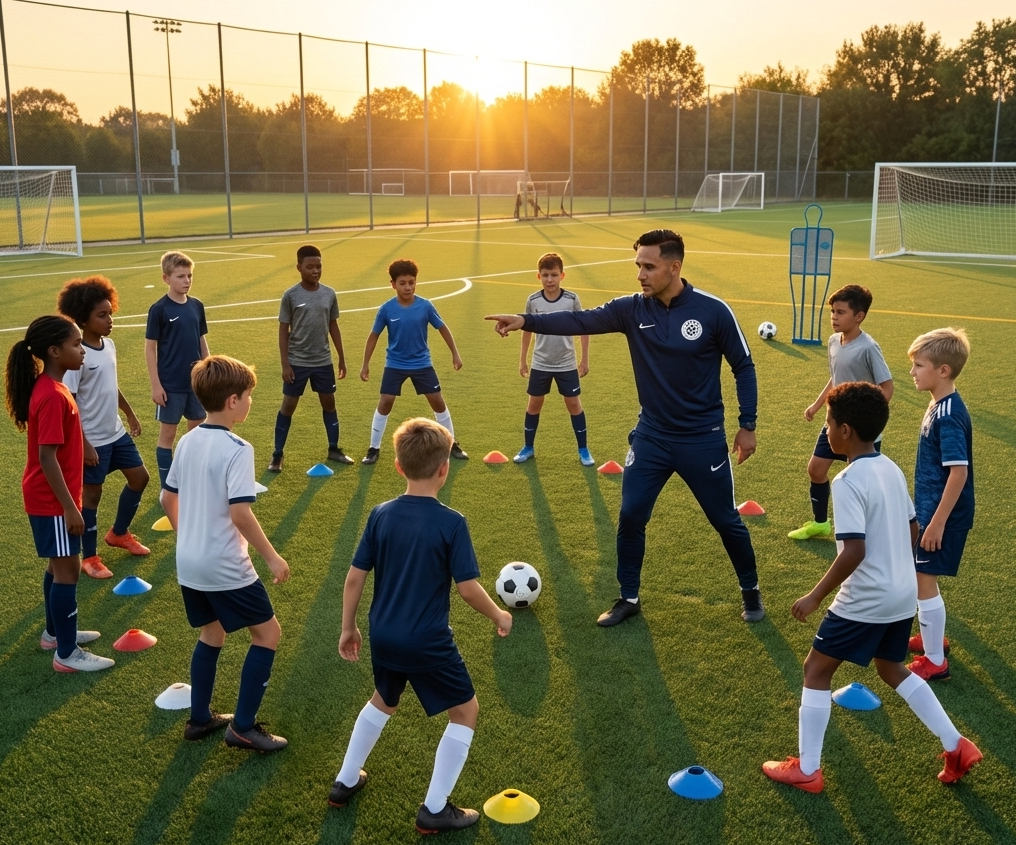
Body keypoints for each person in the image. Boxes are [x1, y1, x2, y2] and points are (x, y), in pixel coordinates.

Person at [487, 229, 763, 628]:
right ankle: (628, 597)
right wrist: (525, 320)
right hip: (652, 435)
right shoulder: (633, 310)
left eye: (649, 267)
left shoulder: (713, 311)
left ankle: (750, 591)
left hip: (702, 439)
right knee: (631, 514)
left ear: (674, 266)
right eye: (638, 266)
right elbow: (580, 319)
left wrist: (747, 425)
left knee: (724, 519)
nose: (641, 275)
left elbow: (744, 366)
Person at [762, 382, 981, 792]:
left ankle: (807, 769)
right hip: (901, 594)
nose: (826, 430)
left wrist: (814, 596)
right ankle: (956, 744)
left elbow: (853, 551)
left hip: (867, 597)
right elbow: (914, 528)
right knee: (891, 667)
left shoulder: (846, 481)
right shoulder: (891, 468)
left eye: (828, 423)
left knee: (815, 669)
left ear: (845, 430)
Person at [329, 418, 511, 833]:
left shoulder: (381, 514)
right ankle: (434, 809)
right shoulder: (452, 522)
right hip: (427, 641)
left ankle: (344, 780)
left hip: (383, 634)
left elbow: (355, 577)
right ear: (444, 469)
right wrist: (499, 615)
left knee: (383, 700)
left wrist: (347, 628)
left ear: (397, 466)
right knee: (465, 711)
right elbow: (467, 590)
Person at [161, 355, 291, 752]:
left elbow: (168, 498)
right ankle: (243, 727)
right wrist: (271, 556)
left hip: (189, 562)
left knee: (211, 632)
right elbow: (240, 512)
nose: (252, 401)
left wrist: (190, 538)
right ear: (233, 400)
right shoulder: (238, 447)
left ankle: (199, 719)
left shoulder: (187, 439)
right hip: (223, 563)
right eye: (249, 395)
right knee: (268, 634)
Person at [5, 315, 112, 671]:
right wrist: (70, 507)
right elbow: (46, 456)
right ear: (54, 351)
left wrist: (84, 448)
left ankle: (54, 633)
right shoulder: (51, 395)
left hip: (50, 498)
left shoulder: (54, 387)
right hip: (52, 501)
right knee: (68, 572)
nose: (82, 350)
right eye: (75, 344)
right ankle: (66, 654)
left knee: (57, 565)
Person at [57, 276, 150, 580]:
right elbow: (69, 405)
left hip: (116, 432)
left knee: (140, 478)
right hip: (92, 439)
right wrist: (83, 443)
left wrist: (131, 414)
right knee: (92, 497)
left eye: (110, 313)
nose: (110, 320)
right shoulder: (77, 357)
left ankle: (119, 533)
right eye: (102, 315)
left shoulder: (108, 345)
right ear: (83, 319)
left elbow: (111, 387)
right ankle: (90, 557)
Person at [789, 285, 893, 540]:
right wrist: (816, 405)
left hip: (859, 427)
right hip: (834, 423)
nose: (834, 317)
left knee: (861, 481)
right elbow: (835, 378)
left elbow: (887, 387)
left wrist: (869, 419)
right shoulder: (834, 341)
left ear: (859, 316)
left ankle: (871, 530)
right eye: (833, 312)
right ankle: (821, 523)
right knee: (816, 469)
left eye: (841, 312)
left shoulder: (868, 347)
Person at [905, 328, 974, 682]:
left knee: (923, 579)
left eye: (919, 365)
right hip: (935, 511)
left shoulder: (947, 415)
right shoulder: (940, 403)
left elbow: (958, 474)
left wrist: (936, 523)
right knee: (924, 577)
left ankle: (936, 661)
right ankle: (934, 639)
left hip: (942, 516)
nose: (912, 372)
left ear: (943, 370)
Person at [360, 259, 468, 465]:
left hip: (422, 363)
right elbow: (373, 336)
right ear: (393, 284)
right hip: (395, 364)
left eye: (411, 282)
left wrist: (455, 353)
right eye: (402, 283)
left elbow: (442, 328)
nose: (408, 287)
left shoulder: (425, 306)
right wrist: (365, 364)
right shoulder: (386, 309)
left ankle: (451, 443)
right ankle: (373, 448)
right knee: (386, 401)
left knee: (437, 400)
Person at [268, 244, 352, 472]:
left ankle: (334, 449)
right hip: (297, 362)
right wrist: (285, 364)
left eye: (319, 266)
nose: (315, 271)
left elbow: (333, 326)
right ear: (299, 267)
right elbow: (283, 331)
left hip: (323, 362)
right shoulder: (291, 295)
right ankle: (277, 455)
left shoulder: (329, 294)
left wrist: (341, 358)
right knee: (288, 406)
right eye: (310, 267)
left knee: (329, 404)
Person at [513, 252, 594, 466]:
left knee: (573, 404)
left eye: (554, 275)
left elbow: (584, 329)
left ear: (562, 276)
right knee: (534, 404)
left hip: (566, 362)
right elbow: (526, 330)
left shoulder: (571, 299)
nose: (550, 279)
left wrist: (584, 359)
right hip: (541, 362)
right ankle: (528, 447)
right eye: (546, 275)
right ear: (538, 276)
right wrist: (523, 359)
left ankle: (583, 449)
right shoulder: (533, 300)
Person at [145, 251, 209, 491]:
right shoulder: (159, 309)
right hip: (171, 385)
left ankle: (190, 480)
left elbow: (201, 341)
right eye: (181, 276)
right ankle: (168, 488)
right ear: (166, 278)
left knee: (196, 433)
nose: (187, 281)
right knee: (168, 436)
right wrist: (156, 385)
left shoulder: (196, 306)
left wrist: (209, 370)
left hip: (196, 384)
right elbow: (150, 349)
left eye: (189, 275)